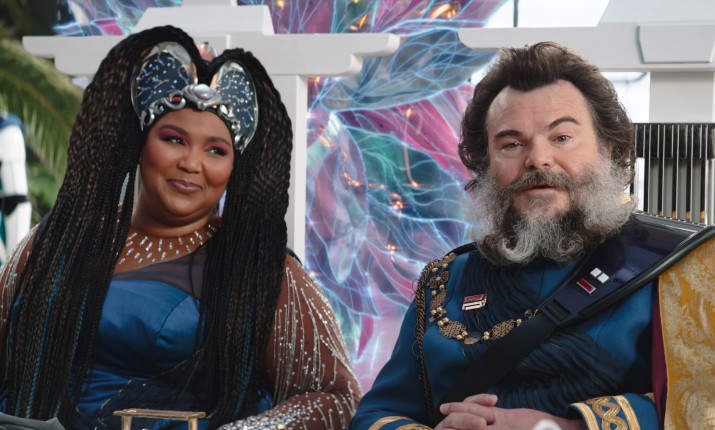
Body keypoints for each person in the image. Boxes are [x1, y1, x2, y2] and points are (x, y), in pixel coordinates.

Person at [0, 25, 360, 429]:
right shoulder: (61, 237)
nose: (191, 163)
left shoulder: (261, 270)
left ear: (234, 167)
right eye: (174, 139)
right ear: (140, 143)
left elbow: (335, 396)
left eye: (215, 150)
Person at [350, 41, 715, 430]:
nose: (537, 158)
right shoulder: (445, 283)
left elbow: (703, 405)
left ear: (608, 149)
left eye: (561, 138)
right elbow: (375, 416)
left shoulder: (687, 268)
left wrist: (568, 427)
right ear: (485, 165)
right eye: (511, 144)